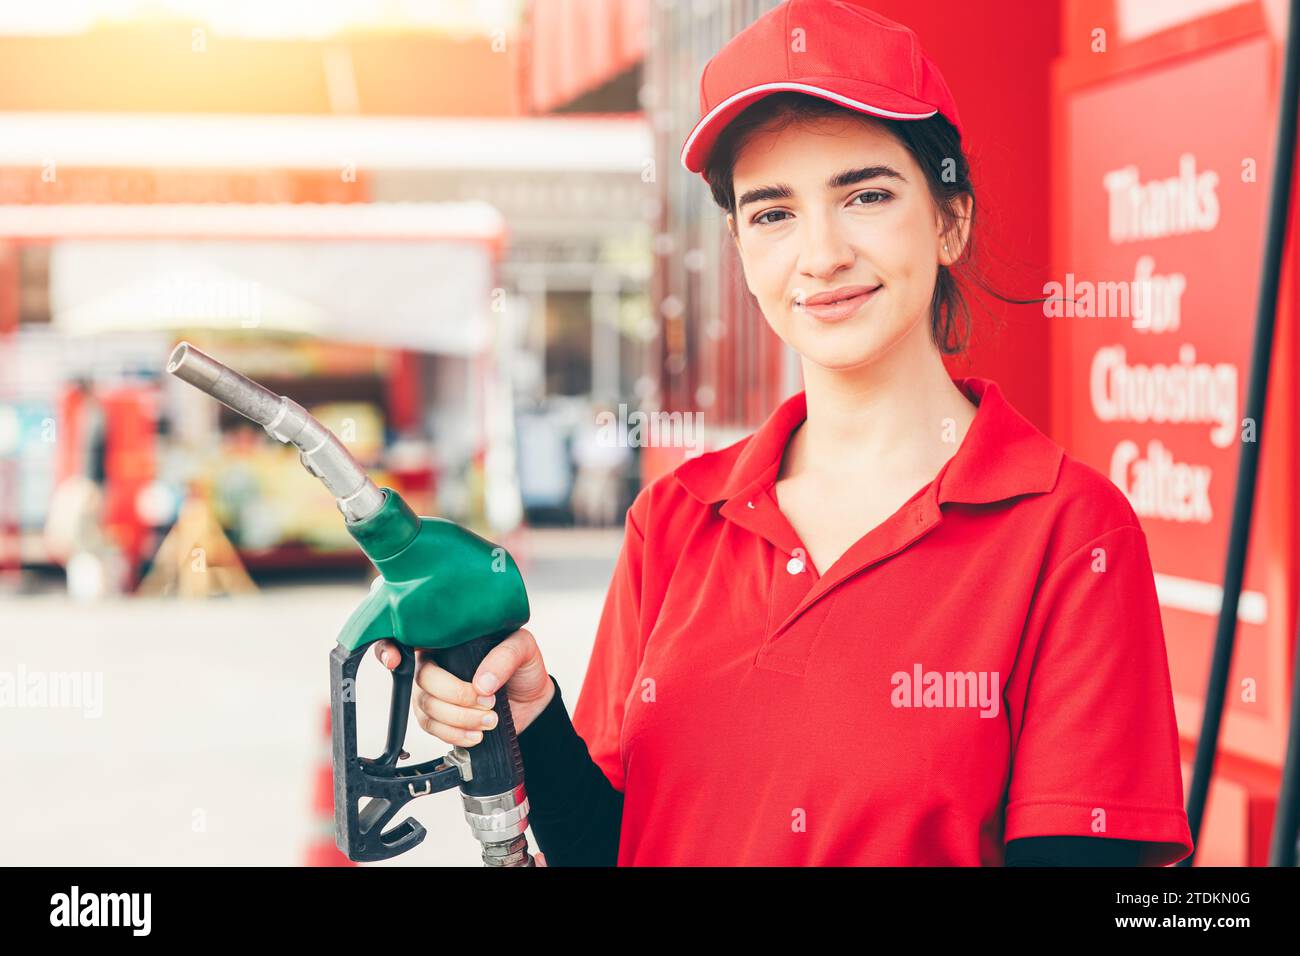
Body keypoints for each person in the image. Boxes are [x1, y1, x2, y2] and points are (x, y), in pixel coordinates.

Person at [374, 0, 1194, 867]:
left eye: (866, 195)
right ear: (740, 246)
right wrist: (532, 716)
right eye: (773, 213)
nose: (822, 254)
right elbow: (619, 846)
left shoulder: (1068, 533)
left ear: (949, 220)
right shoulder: (676, 520)